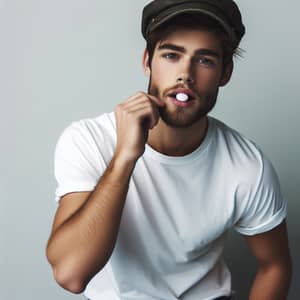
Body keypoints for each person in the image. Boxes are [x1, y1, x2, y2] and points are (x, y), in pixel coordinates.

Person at [46, 0, 292, 299]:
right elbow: (71, 274)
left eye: (204, 60)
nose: (185, 74)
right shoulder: (89, 140)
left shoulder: (246, 164)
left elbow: (275, 265)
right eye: (171, 55)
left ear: (225, 73)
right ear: (147, 60)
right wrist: (125, 157)